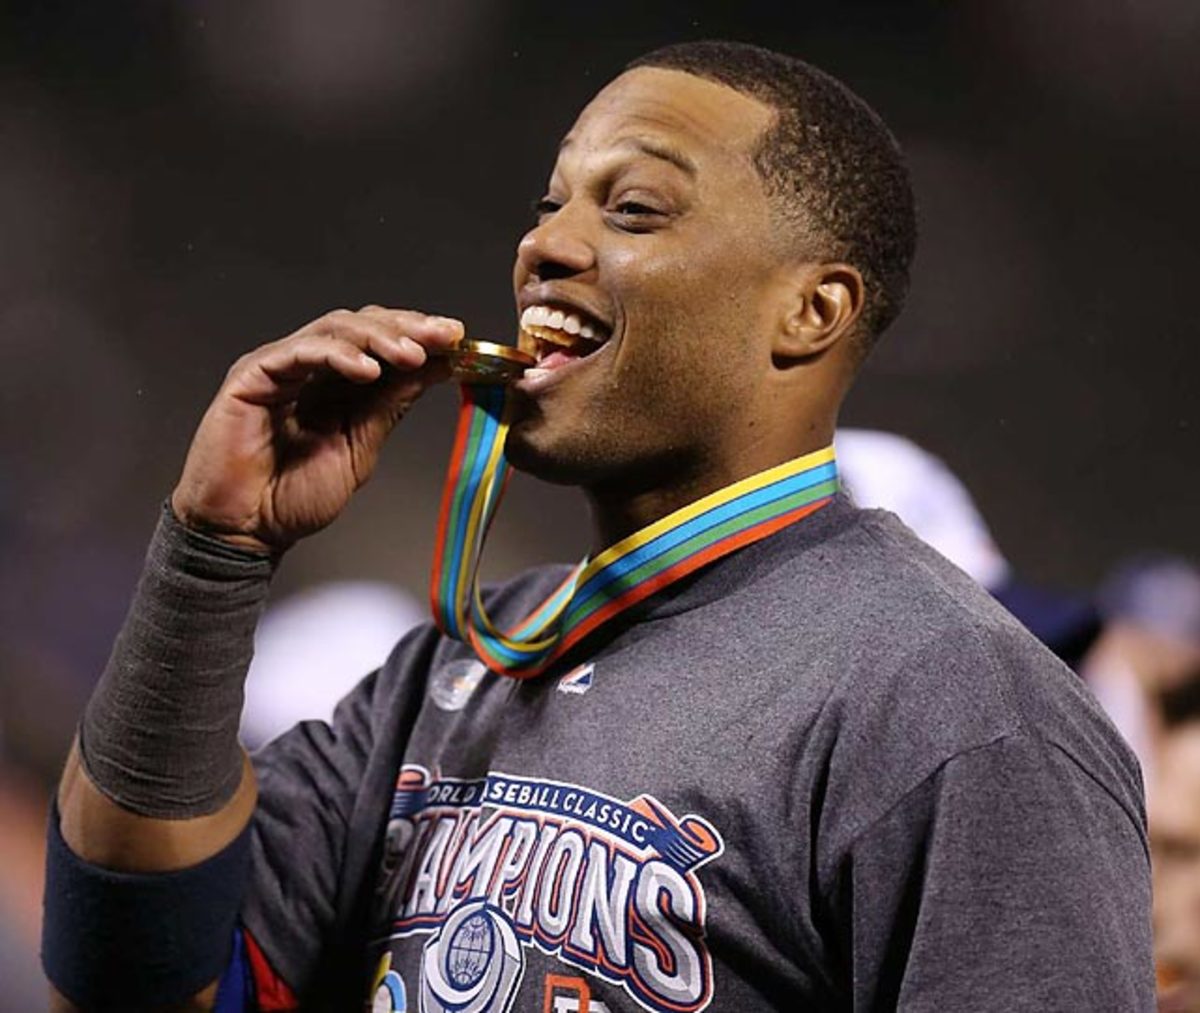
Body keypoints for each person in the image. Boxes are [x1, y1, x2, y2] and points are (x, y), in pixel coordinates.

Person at [44, 41, 1154, 1012]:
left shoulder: (960, 702)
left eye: (633, 210)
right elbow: (133, 976)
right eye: (550, 204)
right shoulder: (451, 669)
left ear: (810, 310)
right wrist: (212, 554)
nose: (547, 246)